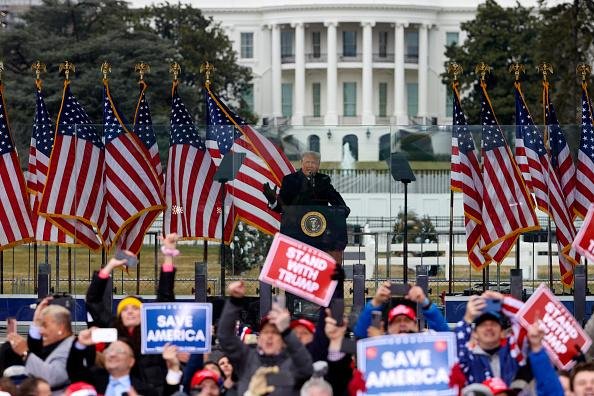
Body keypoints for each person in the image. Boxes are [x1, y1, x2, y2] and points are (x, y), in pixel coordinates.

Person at [84, 234, 179, 395]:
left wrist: (168, 254)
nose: (130, 311)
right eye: (125, 309)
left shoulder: (153, 330)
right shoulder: (113, 328)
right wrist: (110, 266)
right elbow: (93, 301)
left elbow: (166, 295)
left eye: (135, 308)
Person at [217, 281, 313, 396]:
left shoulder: (291, 364)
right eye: (265, 332)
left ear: (283, 340)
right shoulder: (247, 359)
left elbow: (306, 368)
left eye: (275, 333)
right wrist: (234, 301)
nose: (269, 336)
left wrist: (286, 331)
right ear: (260, 337)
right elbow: (225, 336)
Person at [8, 298, 75, 395]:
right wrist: (36, 321)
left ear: (61, 327)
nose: (41, 331)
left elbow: (52, 377)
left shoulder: (72, 348)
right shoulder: (59, 344)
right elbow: (36, 350)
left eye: (45, 325)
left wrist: (25, 353)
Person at [262, 151, 349, 216]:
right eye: (307, 162)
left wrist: (343, 210)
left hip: (318, 229)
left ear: (318, 165)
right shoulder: (289, 180)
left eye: (313, 163)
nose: (310, 165)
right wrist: (273, 201)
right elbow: (282, 208)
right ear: (301, 163)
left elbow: (339, 204)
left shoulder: (324, 180)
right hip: (295, 229)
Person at [353, 282, 449, 338]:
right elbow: (360, 335)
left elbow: (446, 336)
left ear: (416, 325)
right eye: (397, 321)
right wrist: (376, 302)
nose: (402, 324)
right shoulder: (379, 341)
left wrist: (424, 301)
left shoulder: (424, 339)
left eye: (407, 320)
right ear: (388, 327)